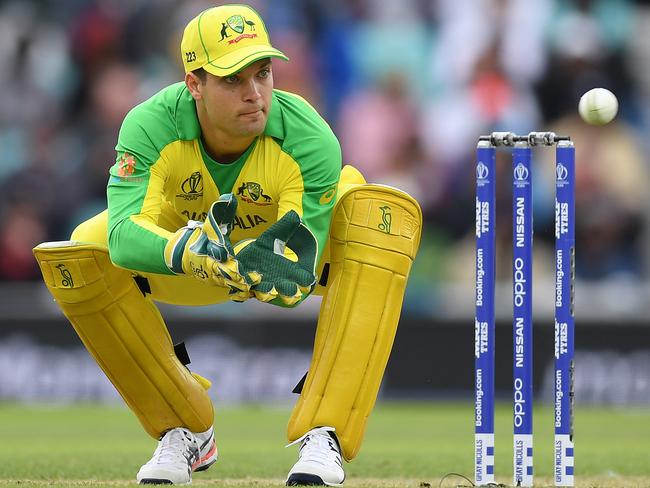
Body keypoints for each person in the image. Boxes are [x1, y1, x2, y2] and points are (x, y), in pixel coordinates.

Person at [33, 4, 422, 486]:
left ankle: (327, 433)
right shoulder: (150, 125)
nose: (255, 94)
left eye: (263, 73)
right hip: (186, 263)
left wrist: (269, 265)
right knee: (80, 252)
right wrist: (185, 252)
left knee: (377, 219)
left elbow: (296, 276)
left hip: (273, 264)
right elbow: (122, 235)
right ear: (194, 84)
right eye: (233, 80)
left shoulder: (307, 136)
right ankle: (185, 428)